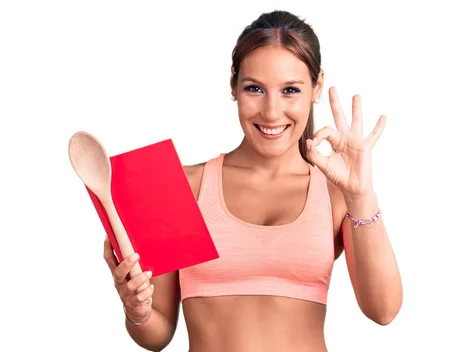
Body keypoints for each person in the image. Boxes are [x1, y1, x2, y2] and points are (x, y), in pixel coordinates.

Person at [103, 9, 403, 352]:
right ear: (233, 85)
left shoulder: (336, 196)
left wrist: (361, 195)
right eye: (255, 89)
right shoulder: (181, 187)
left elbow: (384, 311)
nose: (272, 112)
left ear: (316, 86)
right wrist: (136, 310)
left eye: (290, 89)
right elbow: (156, 335)